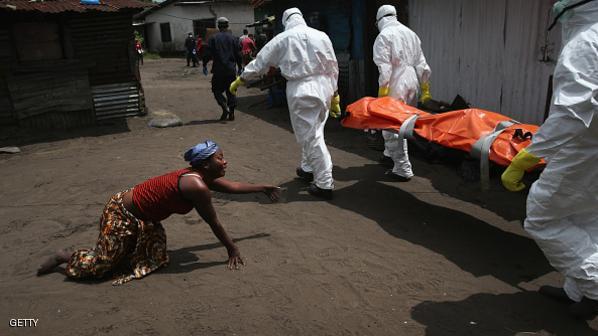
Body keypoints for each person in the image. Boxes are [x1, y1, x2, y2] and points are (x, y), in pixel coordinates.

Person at [37, 140, 280, 285]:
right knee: (102, 266)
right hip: (122, 213)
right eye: (220, 158)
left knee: (152, 258)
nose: (225, 162)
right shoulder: (196, 185)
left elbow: (233, 187)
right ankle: (64, 256)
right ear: (206, 164)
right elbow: (213, 222)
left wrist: (263, 187)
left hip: (145, 217)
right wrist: (232, 248)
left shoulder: (201, 176)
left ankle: (126, 250)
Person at [501, 0, 598, 319]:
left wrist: (527, 157)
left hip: (582, 149)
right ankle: (578, 292)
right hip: (591, 147)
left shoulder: (585, 43)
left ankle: (595, 286)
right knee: (586, 218)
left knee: (543, 216)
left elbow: (570, 115)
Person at [228, 7, 341, 200]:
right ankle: (307, 169)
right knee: (314, 131)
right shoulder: (322, 36)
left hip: (302, 89)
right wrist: (335, 94)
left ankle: (324, 183)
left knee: (311, 137)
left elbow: (261, 62)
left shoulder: (283, 38)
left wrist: (242, 78)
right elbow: (333, 65)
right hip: (324, 87)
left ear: (285, 21)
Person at [373, 4, 432, 182]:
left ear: (380, 19)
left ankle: (402, 169)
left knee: (392, 127)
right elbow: (422, 64)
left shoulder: (384, 36)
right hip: (412, 80)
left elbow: (385, 67)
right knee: (404, 123)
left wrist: (383, 91)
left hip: (396, 82)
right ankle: (389, 156)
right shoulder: (411, 33)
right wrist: (425, 88)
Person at [202, 17, 242, 121]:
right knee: (231, 91)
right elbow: (238, 54)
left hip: (218, 70)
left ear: (218, 26)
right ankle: (231, 113)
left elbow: (207, 54)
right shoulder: (234, 38)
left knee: (216, 90)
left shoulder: (213, 38)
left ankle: (225, 106)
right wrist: (240, 67)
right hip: (231, 70)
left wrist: (204, 65)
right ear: (227, 25)